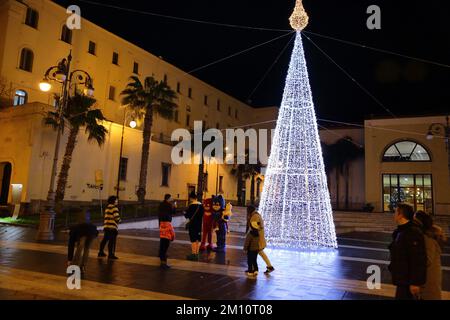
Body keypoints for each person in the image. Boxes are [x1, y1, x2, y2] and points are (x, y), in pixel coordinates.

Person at [388, 203, 427, 300]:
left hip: (408, 281)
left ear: (401, 215)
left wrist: (415, 283)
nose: (394, 214)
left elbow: (418, 259)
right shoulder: (400, 232)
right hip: (402, 279)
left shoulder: (412, 232)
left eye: (396, 212)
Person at [414, 211, 446, 300]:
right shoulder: (429, 236)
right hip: (429, 282)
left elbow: (426, 260)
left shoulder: (427, 239)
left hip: (427, 284)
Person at [67, 208, 98, 274]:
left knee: (80, 248)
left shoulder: (73, 231)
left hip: (87, 232)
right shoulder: (76, 227)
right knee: (86, 249)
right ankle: (82, 267)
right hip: (92, 231)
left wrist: (69, 259)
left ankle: (74, 267)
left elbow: (71, 246)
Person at [247, 205, 274, 274]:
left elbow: (255, 227)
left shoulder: (254, 216)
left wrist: (250, 236)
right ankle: (267, 266)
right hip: (259, 237)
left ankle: (268, 267)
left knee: (256, 253)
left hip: (257, 239)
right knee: (258, 253)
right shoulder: (255, 215)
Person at [184, 191, 204, 261]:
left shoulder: (191, 206)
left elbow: (187, 216)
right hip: (199, 225)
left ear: (192, 198)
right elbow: (202, 215)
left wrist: (184, 213)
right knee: (198, 239)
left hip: (192, 225)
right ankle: (197, 254)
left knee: (193, 239)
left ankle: (193, 254)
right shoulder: (201, 206)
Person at [158, 194, 176, 269]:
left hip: (161, 225)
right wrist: (174, 206)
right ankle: (164, 263)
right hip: (167, 235)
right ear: (168, 198)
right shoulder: (169, 205)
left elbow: (158, 214)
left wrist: (159, 223)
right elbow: (173, 212)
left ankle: (162, 261)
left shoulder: (161, 204)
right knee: (165, 248)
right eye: (171, 197)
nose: (172, 198)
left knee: (162, 246)